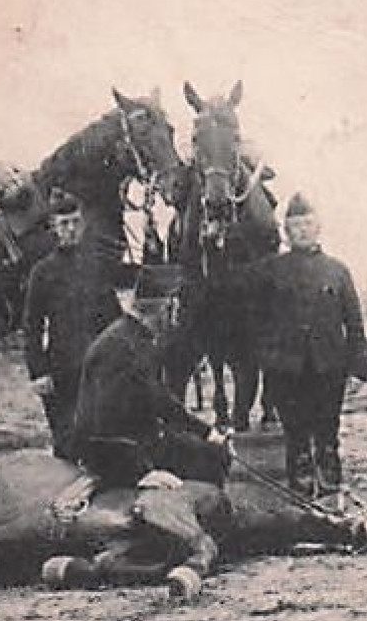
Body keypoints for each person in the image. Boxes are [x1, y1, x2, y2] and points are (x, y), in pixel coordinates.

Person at [69, 267, 229, 492]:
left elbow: (158, 399)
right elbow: (103, 424)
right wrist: (141, 473)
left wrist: (207, 432)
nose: (177, 315)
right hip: (116, 456)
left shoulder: (133, 338)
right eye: (175, 306)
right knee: (210, 461)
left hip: (134, 442)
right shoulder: (122, 349)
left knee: (211, 452)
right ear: (166, 307)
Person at [257, 193, 367, 496]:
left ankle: (331, 485)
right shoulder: (271, 270)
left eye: (308, 224)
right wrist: (268, 358)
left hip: (328, 367)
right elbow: (257, 320)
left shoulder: (337, 270)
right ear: (287, 231)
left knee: (327, 429)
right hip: (287, 368)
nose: (303, 230)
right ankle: (300, 488)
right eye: (296, 226)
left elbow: (355, 321)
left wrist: (358, 365)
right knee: (295, 431)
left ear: (318, 227)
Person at [22, 203, 120, 458]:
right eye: (64, 224)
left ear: (83, 224)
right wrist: (38, 372)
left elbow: (114, 318)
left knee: (100, 439)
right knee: (66, 444)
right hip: (61, 371)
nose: (71, 229)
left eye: (76, 222)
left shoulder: (97, 267)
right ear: (54, 228)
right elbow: (32, 327)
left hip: (97, 368)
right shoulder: (41, 273)